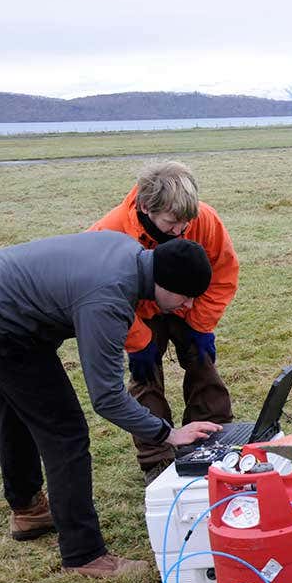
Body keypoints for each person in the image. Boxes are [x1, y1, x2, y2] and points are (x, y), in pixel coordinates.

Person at [0, 232, 222, 576]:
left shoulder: (130, 254)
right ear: (165, 283)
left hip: (0, 298)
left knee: (20, 408)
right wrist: (168, 434)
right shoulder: (108, 299)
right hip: (0, 321)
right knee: (65, 432)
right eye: (185, 297)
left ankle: (28, 509)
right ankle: (84, 555)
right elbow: (107, 398)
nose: (187, 306)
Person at [89, 162, 239, 484]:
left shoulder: (204, 220)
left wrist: (200, 324)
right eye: (172, 222)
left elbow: (223, 275)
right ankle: (157, 458)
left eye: (188, 221)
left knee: (203, 367)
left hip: (188, 307)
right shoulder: (109, 232)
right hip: (137, 312)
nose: (181, 230)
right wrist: (139, 341)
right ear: (146, 206)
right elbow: (101, 296)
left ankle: (214, 437)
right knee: (146, 380)